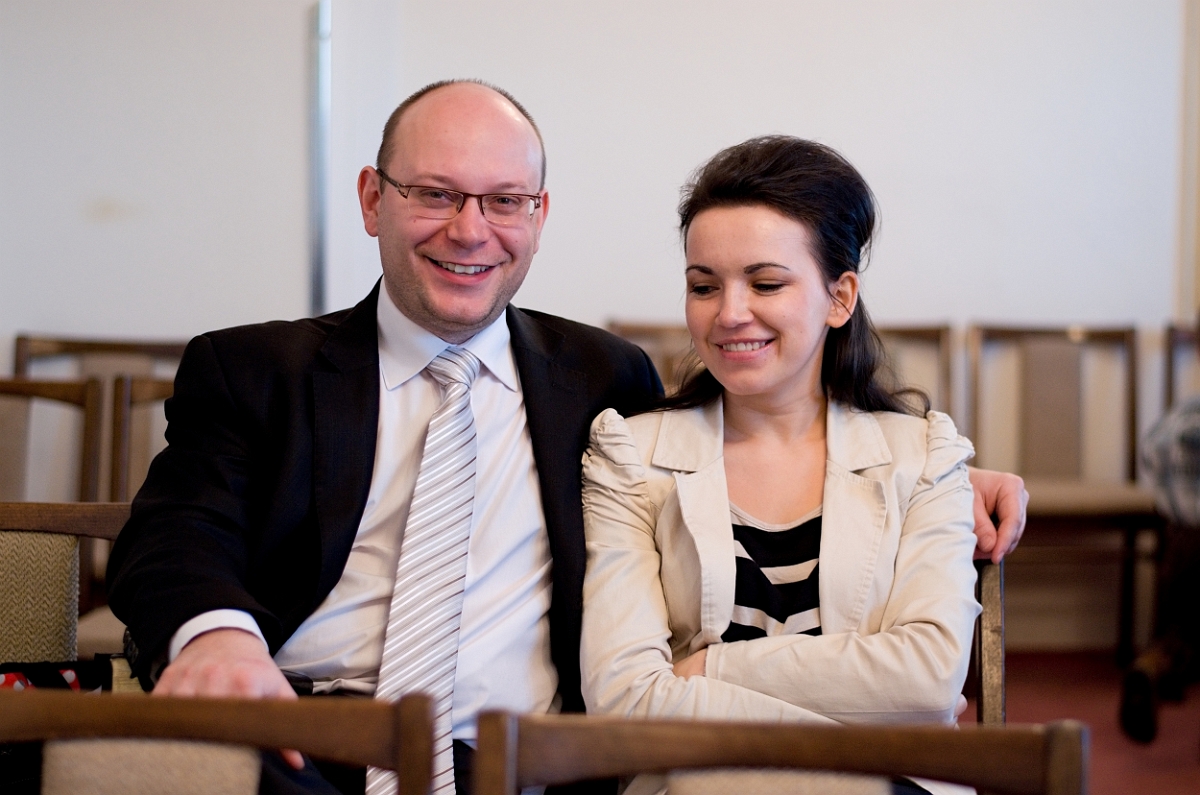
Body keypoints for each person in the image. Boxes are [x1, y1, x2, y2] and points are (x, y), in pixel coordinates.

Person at [107, 82, 1025, 795]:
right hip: (304, 744)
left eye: (505, 200)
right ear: (372, 199)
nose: (470, 229)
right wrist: (217, 638)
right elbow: (175, 531)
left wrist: (940, 477)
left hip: (521, 763)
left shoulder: (600, 379)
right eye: (435, 193)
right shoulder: (254, 370)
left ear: (539, 216)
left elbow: (749, 431)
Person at [580, 136, 980, 795]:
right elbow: (624, 699)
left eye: (765, 283)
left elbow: (930, 678)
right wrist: (863, 717)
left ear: (839, 297)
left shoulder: (924, 455)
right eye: (704, 286)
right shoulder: (630, 457)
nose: (730, 314)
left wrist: (708, 669)